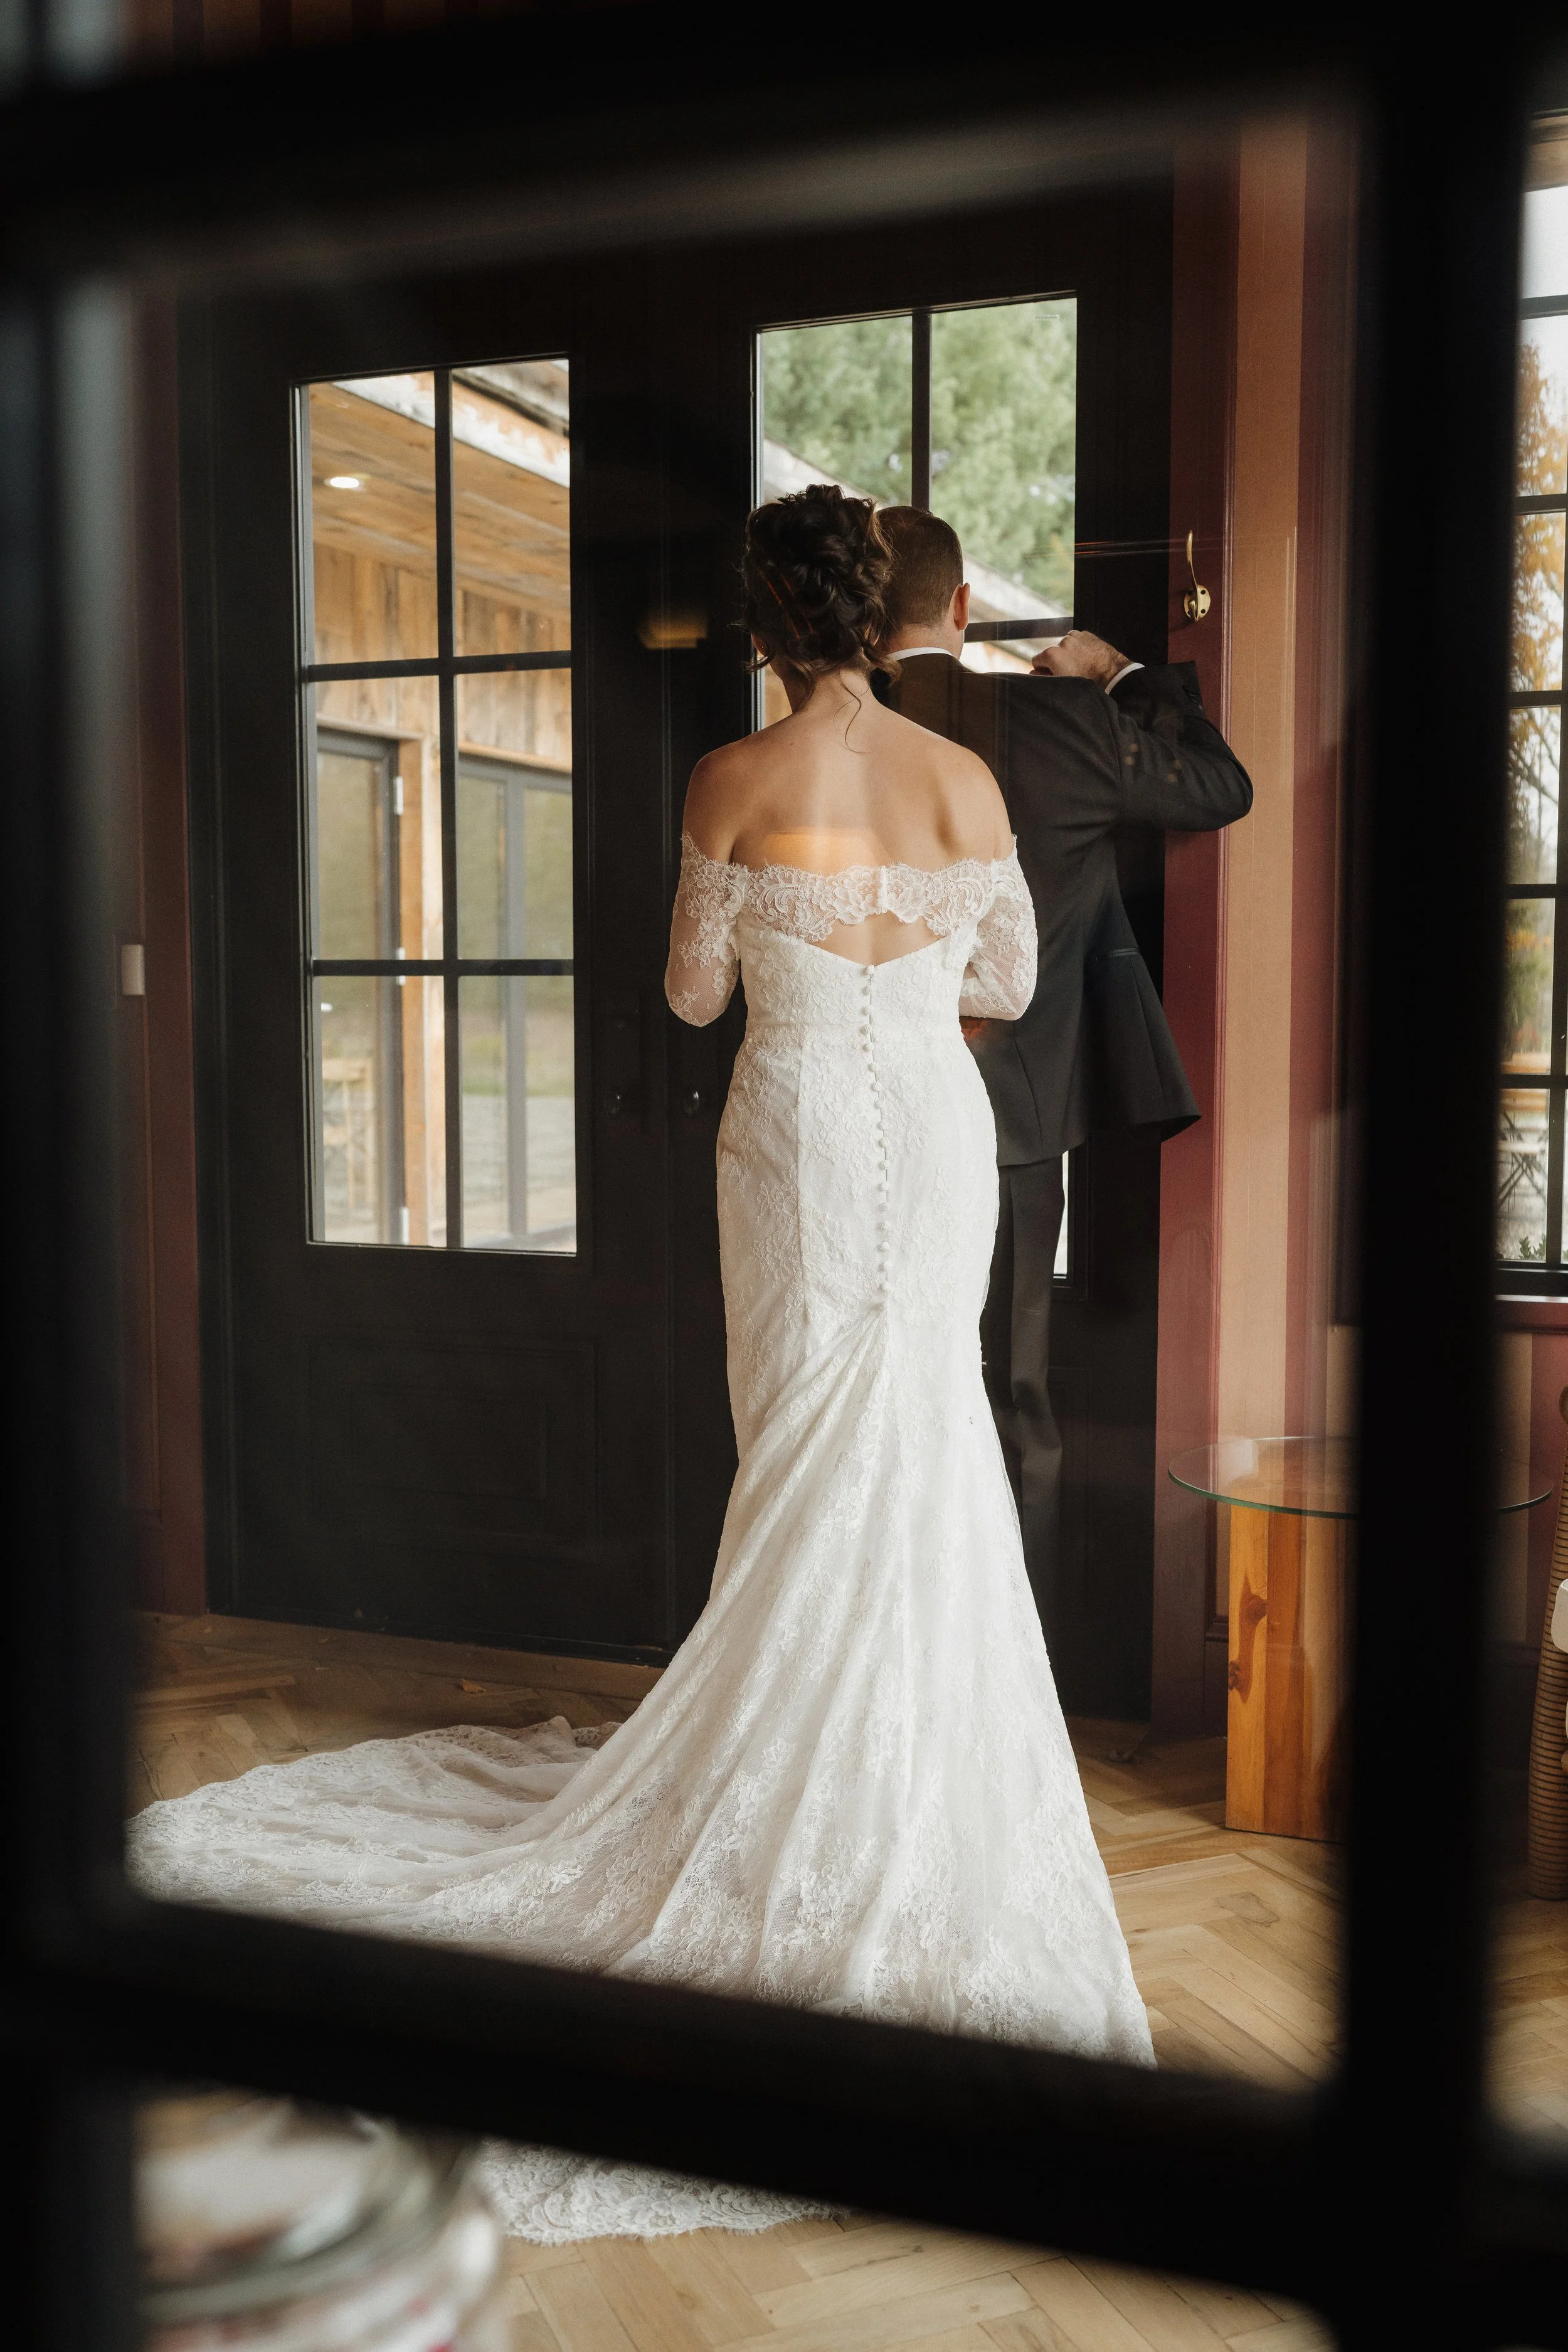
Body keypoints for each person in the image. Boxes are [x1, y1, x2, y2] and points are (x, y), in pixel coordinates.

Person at [130, 485, 1153, 2247]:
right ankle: (911, 1783)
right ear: (881, 614)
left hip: (795, 1131)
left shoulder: (730, 783)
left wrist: (793, 971)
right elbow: (1006, 968)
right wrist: (898, 988)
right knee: (918, 1434)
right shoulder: (965, 778)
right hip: (929, 1119)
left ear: (769, 622)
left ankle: (793, 1775)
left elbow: (692, 994)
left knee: (806, 1451)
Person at [876, 507, 1253, 1623]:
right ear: (960, 607)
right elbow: (1217, 787)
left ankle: (882, 1648)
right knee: (1011, 1396)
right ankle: (1012, 1665)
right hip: (1013, 1127)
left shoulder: (817, 737)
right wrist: (1121, 671)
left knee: (869, 1396)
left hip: (852, 1110)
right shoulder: (1055, 719)